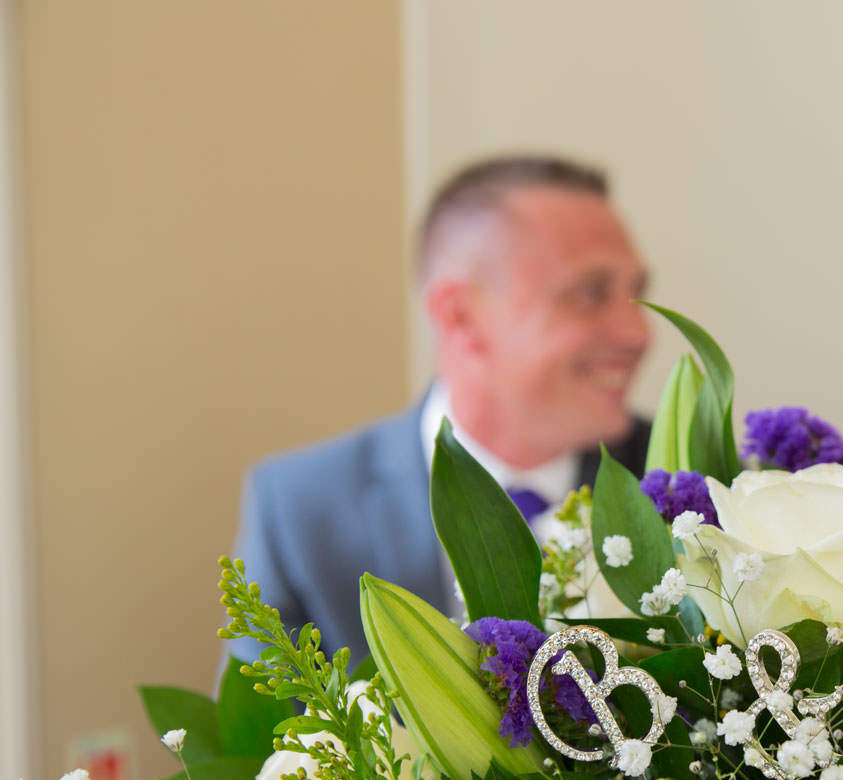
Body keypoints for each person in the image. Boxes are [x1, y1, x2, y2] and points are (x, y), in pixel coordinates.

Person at [229, 156, 654, 666]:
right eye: (589, 294)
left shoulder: (692, 486)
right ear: (461, 316)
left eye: (638, 293)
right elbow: (260, 742)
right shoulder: (301, 510)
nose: (638, 334)